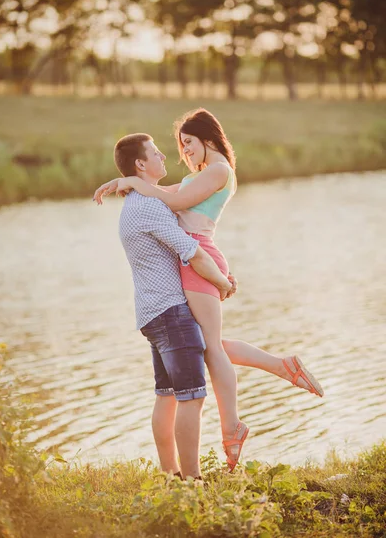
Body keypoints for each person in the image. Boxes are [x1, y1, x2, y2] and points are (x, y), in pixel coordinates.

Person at [94, 108, 324, 471]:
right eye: (180, 146)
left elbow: (175, 202)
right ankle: (281, 367)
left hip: (200, 257)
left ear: (208, 139)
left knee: (210, 347)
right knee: (205, 346)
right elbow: (167, 191)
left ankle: (233, 425)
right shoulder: (199, 174)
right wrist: (126, 181)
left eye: (188, 144)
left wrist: (135, 183)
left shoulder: (218, 170)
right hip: (195, 261)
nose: (183, 152)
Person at [96, 131, 234, 480]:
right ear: (141, 163)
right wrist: (222, 282)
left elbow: (179, 199)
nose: (164, 157)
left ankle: (170, 475)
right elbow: (193, 253)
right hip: (172, 312)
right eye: (156, 153)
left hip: (151, 312)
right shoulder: (150, 207)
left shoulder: (137, 203)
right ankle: (192, 481)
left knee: (167, 395)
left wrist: (125, 181)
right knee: (191, 397)